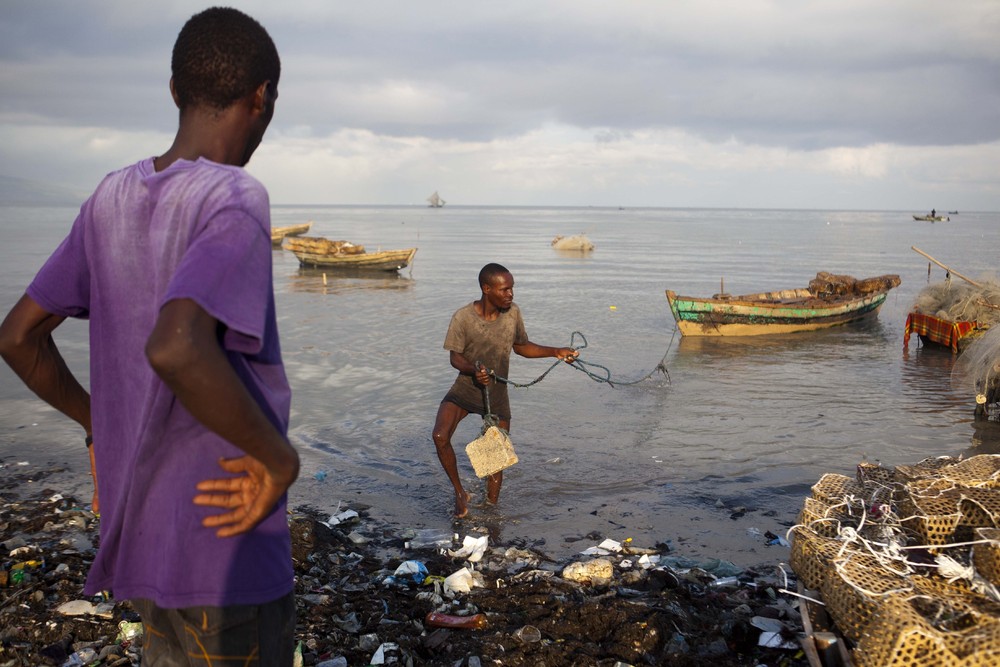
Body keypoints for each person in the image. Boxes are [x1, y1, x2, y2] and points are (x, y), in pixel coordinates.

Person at [0, 8, 299, 665]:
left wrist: (98, 427)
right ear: (261, 98)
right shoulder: (234, 197)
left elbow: (19, 336)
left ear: (174, 91)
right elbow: (177, 345)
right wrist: (279, 459)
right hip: (228, 539)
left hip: (143, 538)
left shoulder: (109, 197)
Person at [431, 263, 578, 518]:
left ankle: (492, 512)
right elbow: (455, 357)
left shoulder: (513, 314)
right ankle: (459, 494)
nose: (510, 294)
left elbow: (521, 346)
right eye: (505, 289)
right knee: (440, 436)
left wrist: (555, 351)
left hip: (496, 395)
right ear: (486, 289)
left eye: (512, 289)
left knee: (495, 461)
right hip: (466, 389)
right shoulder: (463, 317)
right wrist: (473, 368)